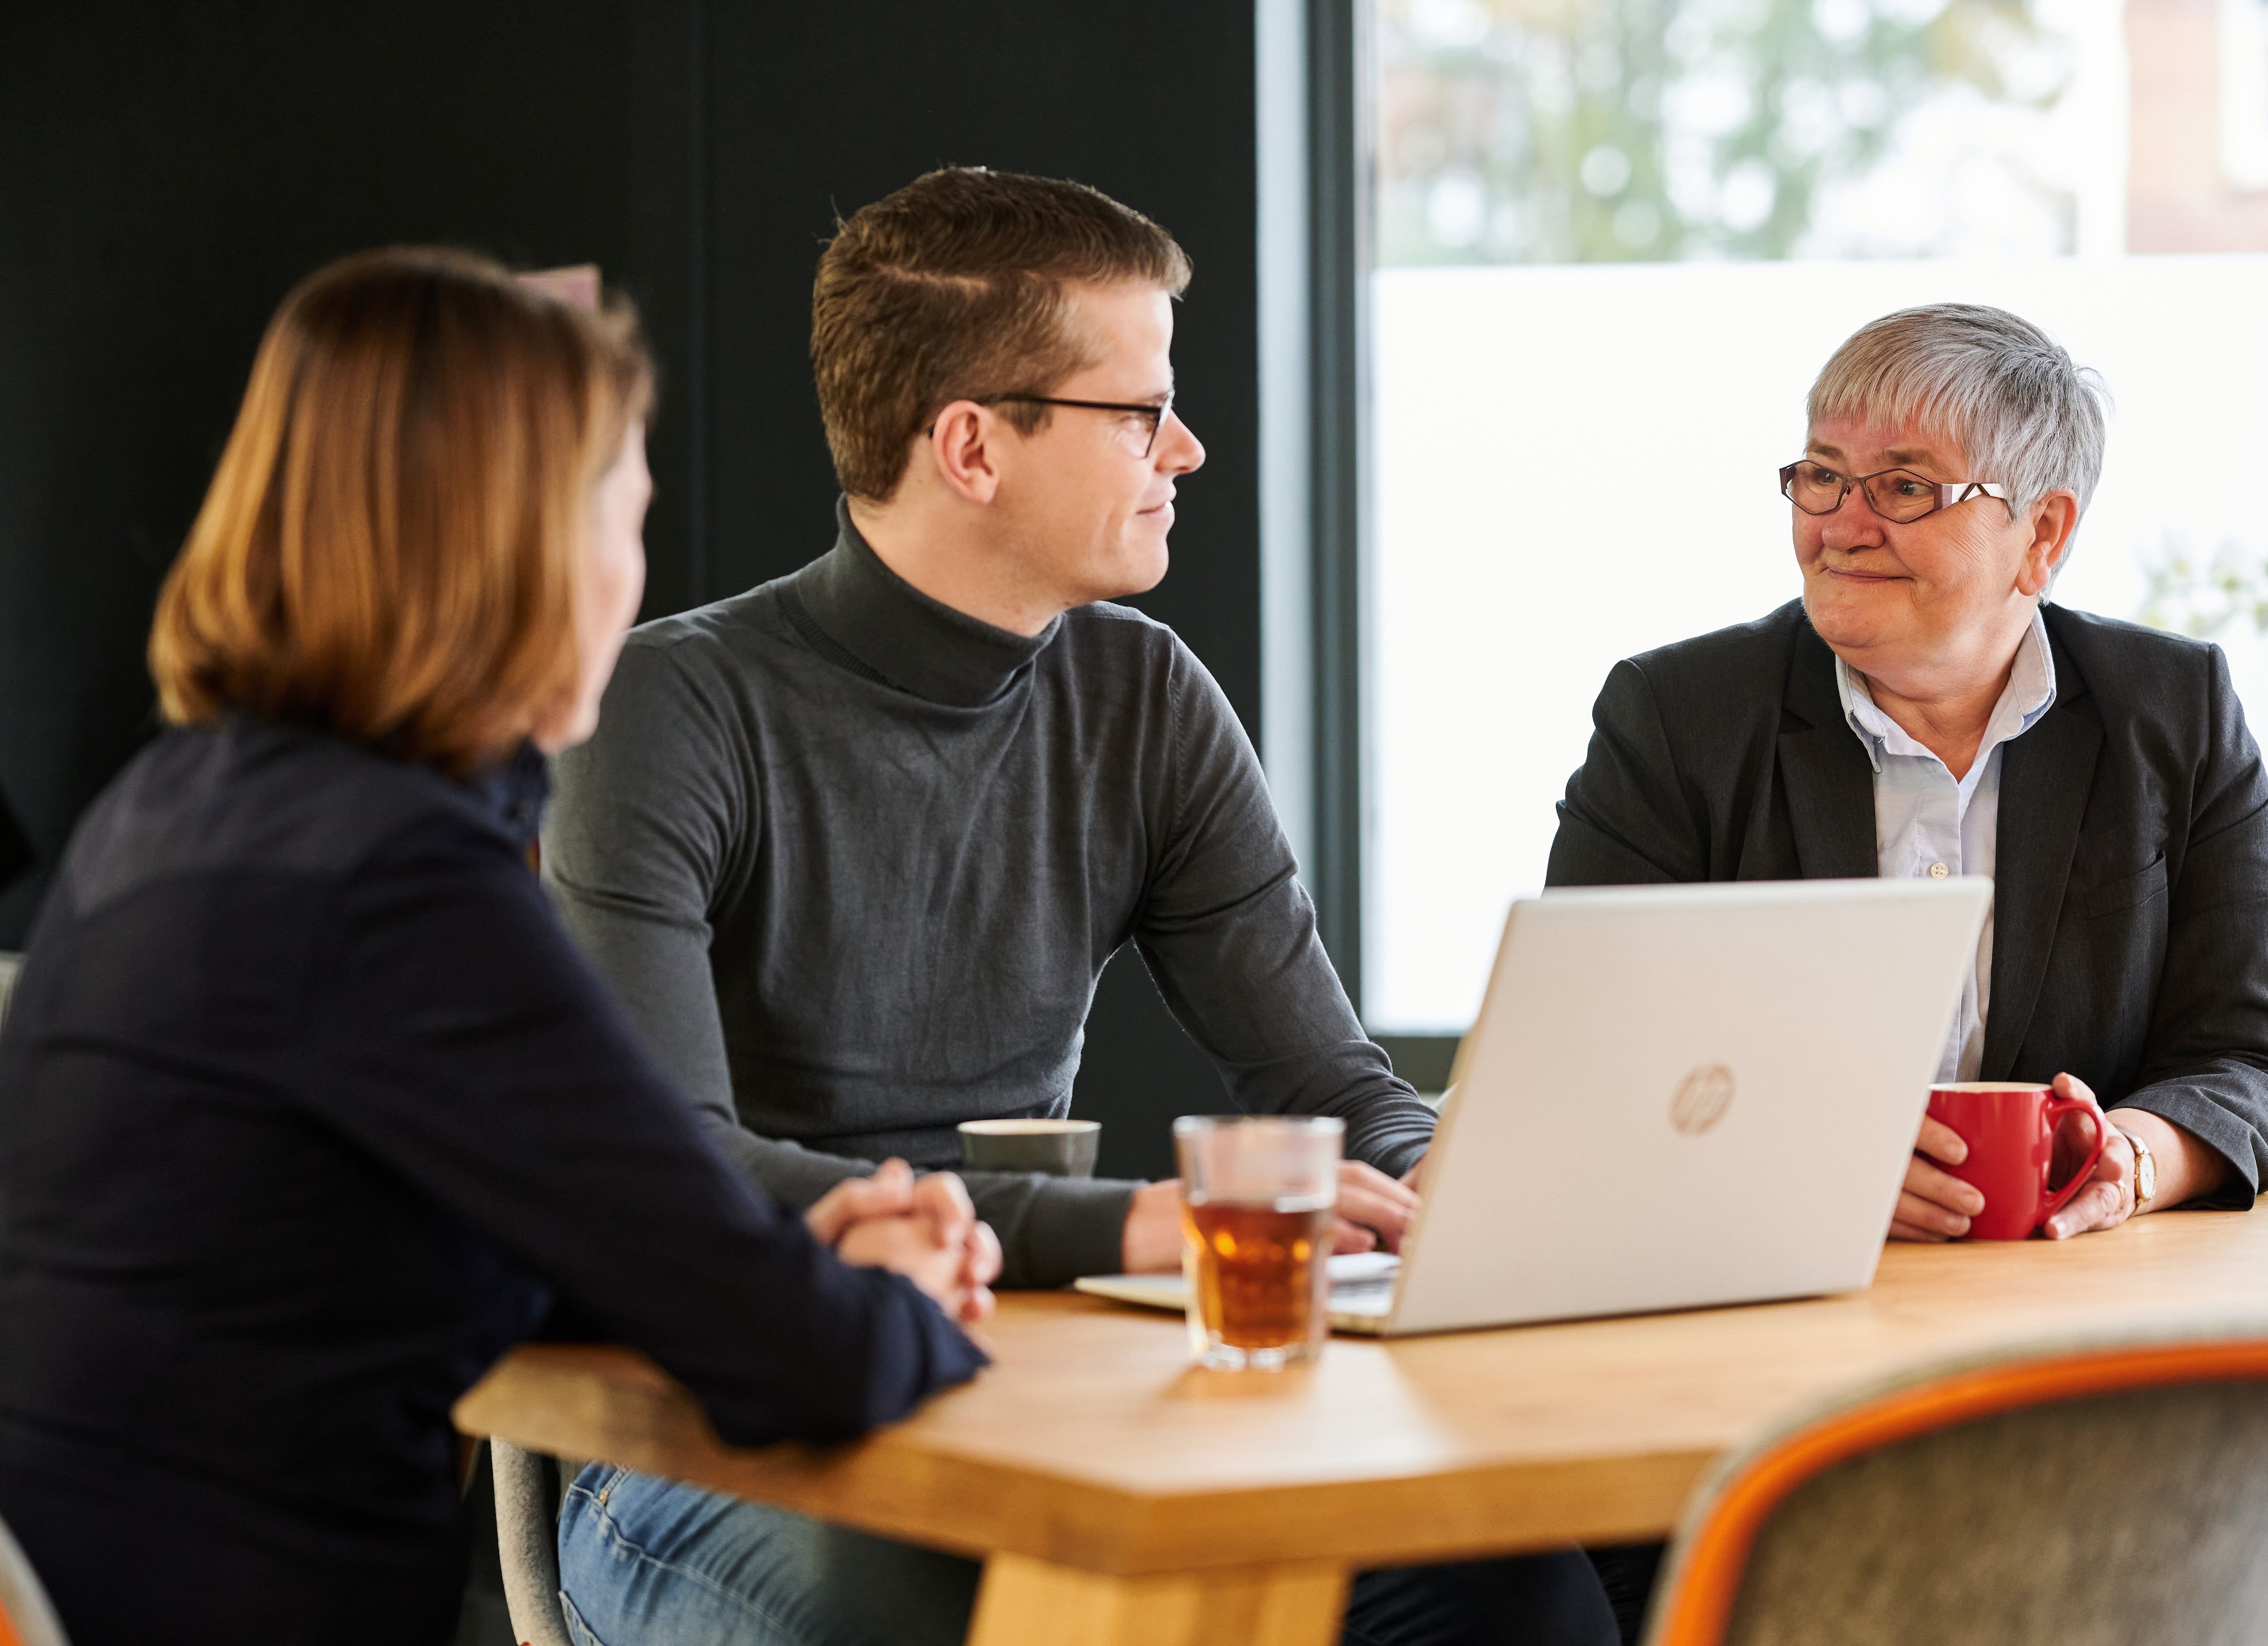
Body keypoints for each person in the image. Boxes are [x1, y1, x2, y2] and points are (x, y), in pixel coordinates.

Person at [546, 168, 1627, 1645]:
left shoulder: (1142, 694)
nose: (1186, 448)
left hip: (1037, 1393)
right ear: (973, 447)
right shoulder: (667, 710)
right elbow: (673, 1168)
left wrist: (1449, 1181)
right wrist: (1140, 1227)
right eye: (1140, 412)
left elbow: (1327, 1082)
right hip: (709, 1425)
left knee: (1512, 1594)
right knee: (928, 1620)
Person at [0, 248, 999, 1646]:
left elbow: (443, 1232)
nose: (635, 579)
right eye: (629, 518)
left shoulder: (171, 807)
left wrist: (773, 1261)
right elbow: (807, 1365)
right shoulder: (401, 883)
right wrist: (881, 1296)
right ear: (526, 546)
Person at [1547, 301, 2268, 1246]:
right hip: (1765, 1274)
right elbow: (1582, 1047)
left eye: (1905, 487)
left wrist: (2128, 1160)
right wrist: (1799, 1152)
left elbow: (2249, 1058)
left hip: (2082, 1283)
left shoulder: (2175, 712)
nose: (1842, 525)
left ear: (2042, 534)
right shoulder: (1677, 718)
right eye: (1823, 476)